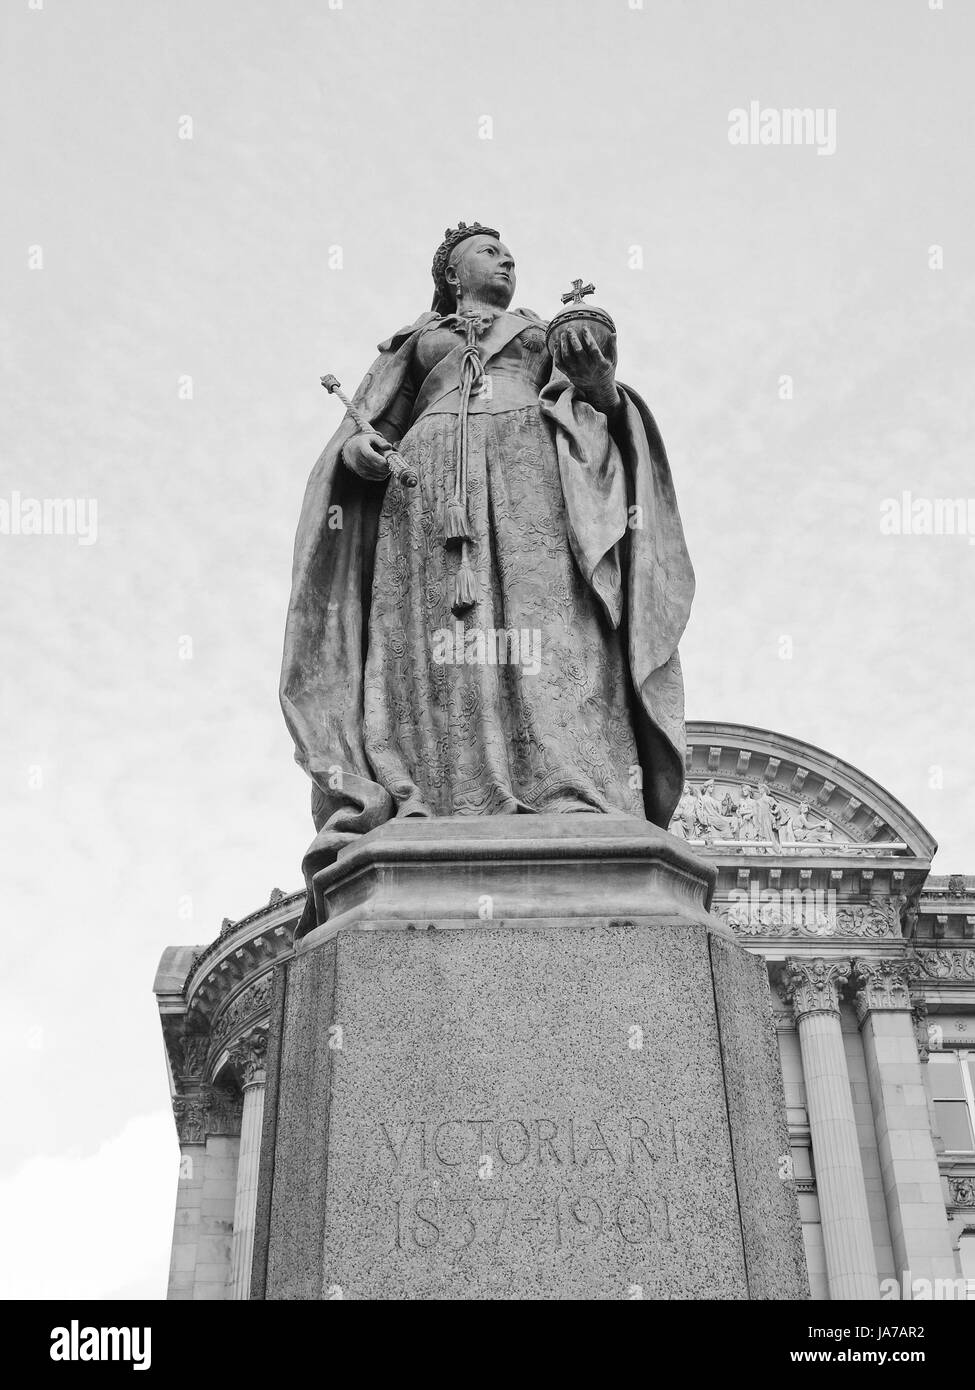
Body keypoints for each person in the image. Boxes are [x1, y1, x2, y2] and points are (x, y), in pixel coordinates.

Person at [280, 222, 695, 928]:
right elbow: (363, 431)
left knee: (550, 626)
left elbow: (597, 401)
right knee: (436, 641)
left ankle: (569, 786)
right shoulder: (413, 342)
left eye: (508, 253)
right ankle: (435, 791)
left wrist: (595, 375)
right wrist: (362, 455)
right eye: (487, 251)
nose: (504, 259)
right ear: (451, 272)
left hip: (533, 471)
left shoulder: (540, 329)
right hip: (428, 487)